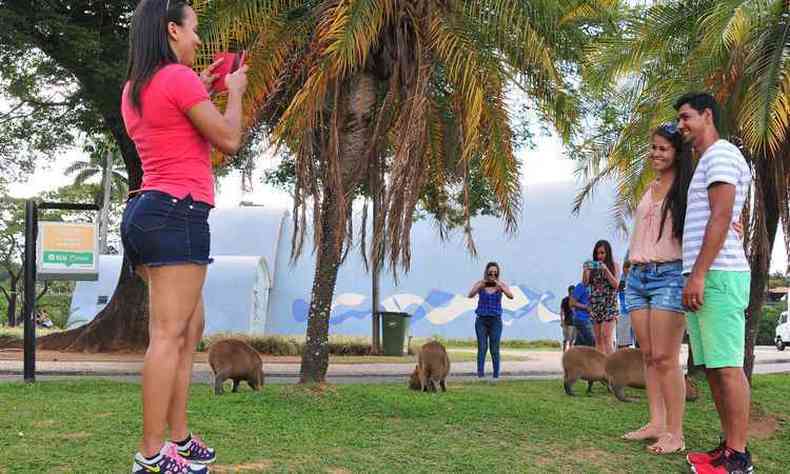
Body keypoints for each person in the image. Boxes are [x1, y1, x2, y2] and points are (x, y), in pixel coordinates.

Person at [121, 1, 248, 472]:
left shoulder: (137, 86)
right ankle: (151, 454)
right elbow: (229, 140)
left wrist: (208, 85)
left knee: (188, 330)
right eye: (194, 30)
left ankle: (179, 438)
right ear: (172, 30)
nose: (199, 41)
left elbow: (176, 120)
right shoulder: (177, 79)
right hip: (179, 211)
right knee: (168, 336)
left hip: (147, 210)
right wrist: (233, 91)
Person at [675, 93, 752, 474]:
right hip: (710, 273)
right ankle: (727, 448)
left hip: (718, 274)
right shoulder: (710, 160)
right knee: (715, 367)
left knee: (727, 367)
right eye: (678, 120)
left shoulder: (721, 154)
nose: (681, 125)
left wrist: (699, 273)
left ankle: (738, 457)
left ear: (707, 115)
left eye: (686, 117)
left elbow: (721, 216)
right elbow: (726, 214)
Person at [620, 122, 694, 456]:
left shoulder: (688, 188)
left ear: (678, 153)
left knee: (666, 357)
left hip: (669, 275)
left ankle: (675, 433)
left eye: (663, 148)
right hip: (637, 277)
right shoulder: (650, 188)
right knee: (649, 355)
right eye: (653, 147)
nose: (656, 153)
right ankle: (655, 423)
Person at [468, 262, 514, 380]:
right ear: (486, 273)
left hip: (495, 320)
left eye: (495, 273)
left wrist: (500, 286)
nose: (492, 275)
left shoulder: (500, 285)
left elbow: (511, 296)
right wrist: (480, 286)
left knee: (494, 348)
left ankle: (495, 375)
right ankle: (480, 375)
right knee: (482, 347)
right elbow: (470, 295)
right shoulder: (481, 284)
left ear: (497, 273)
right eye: (490, 273)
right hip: (481, 320)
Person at [584, 240, 620, 354]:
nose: (600, 256)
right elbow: (585, 283)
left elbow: (616, 285)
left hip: (609, 305)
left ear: (608, 253)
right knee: (598, 339)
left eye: (602, 253)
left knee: (606, 337)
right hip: (596, 305)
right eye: (597, 253)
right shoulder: (593, 267)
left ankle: (612, 367)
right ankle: (600, 368)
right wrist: (585, 270)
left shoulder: (614, 266)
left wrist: (606, 270)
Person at [570, 281, 594, 347]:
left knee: (580, 344)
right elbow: (571, 302)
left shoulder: (594, 286)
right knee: (593, 342)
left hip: (590, 319)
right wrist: (586, 307)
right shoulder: (581, 286)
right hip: (582, 319)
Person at [615, 260, 633, 349]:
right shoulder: (620, 282)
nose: (629, 270)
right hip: (624, 313)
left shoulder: (637, 280)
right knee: (623, 342)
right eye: (626, 268)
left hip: (636, 312)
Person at [560, 285, 576, 352]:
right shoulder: (565, 300)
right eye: (570, 292)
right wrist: (562, 321)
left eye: (573, 292)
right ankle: (564, 352)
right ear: (568, 291)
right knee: (566, 339)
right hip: (566, 322)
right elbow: (561, 311)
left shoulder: (576, 300)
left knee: (572, 339)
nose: (571, 293)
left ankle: (570, 353)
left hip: (574, 322)